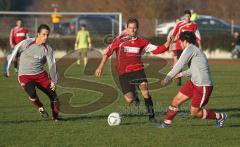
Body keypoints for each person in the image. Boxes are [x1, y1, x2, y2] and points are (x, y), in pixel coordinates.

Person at [95, 18, 171, 122]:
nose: (133, 30)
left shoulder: (141, 41)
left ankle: (151, 116)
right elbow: (107, 53)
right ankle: (135, 96)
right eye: (130, 28)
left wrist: (167, 43)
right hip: (123, 73)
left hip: (138, 70)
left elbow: (157, 50)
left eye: (135, 28)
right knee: (129, 100)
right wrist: (100, 67)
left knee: (145, 92)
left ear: (137, 29)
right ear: (126, 28)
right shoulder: (119, 40)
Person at [156, 31, 227, 128]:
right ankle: (166, 123)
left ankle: (219, 116)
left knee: (195, 112)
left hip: (203, 86)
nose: (180, 44)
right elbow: (194, 69)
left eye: (180, 42)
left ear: (185, 41)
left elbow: (178, 65)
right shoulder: (194, 50)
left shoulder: (189, 49)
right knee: (176, 101)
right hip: (193, 82)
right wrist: (181, 73)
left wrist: (167, 78)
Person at [5, 24, 60, 121]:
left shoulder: (48, 49)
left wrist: (54, 81)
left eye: (47, 35)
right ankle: (40, 107)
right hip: (25, 76)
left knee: (54, 97)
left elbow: (52, 65)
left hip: (40, 75)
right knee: (32, 93)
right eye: (43, 34)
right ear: (38, 34)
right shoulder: (26, 43)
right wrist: (7, 68)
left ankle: (56, 118)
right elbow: (13, 52)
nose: (45, 37)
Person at [169, 10, 202, 86]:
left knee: (191, 64)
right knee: (179, 63)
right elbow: (173, 35)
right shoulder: (179, 24)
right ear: (184, 17)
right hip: (180, 47)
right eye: (185, 16)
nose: (186, 18)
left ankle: (193, 80)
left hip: (190, 48)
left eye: (188, 16)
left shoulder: (194, 25)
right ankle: (179, 79)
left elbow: (197, 36)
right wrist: (170, 45)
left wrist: (200, 46)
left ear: (190, 17)